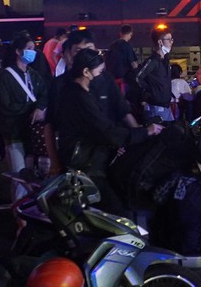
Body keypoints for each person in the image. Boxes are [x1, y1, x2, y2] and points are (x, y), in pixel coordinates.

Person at [54, 49, 163, 216]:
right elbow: (103, 130)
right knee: (119, 215)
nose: (101, 75)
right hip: (86, 167)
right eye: (99, 72)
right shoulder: (79, 97)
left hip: (89, 161)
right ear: (86, 72)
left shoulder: (75, 92)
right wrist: (143, 133)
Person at [0, 34, 49, 201]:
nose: (33, 52)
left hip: (32, 135)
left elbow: (45, 94)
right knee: (19, 177)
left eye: (34, 49)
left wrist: (40, 107)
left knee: (34, 176)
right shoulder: (5, 77)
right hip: (14, 133)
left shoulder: (33, 74)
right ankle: (21, 219)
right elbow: (5, 106)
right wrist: (32, 109)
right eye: (29, 49)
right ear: (18, 51)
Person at [135, 27, 175, 122]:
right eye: (169, 39)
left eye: (171, 39)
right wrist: (150, 91)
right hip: (157, 108)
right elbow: (138, 78)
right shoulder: (153, 61)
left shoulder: (164, 60)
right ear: (160, 42)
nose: (171, 42)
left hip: (166, 107)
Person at [105, 24, 139, 91]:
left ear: (120, 33)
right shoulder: (127, 46)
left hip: (112, 79)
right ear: (131, 34)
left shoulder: (112, 46)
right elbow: (133, 63)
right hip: (123, 80)